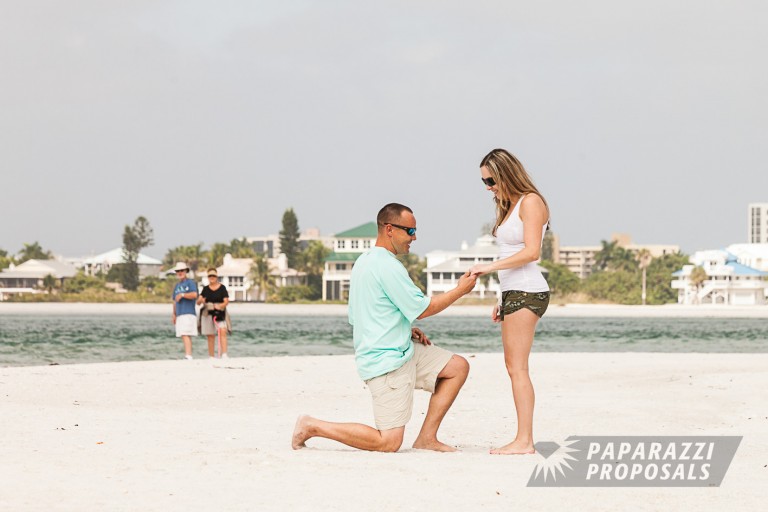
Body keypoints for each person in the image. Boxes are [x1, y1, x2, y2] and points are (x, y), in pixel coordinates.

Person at [292, 203, 478, 453]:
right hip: (387, 362)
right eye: (410, 231)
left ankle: (426, 438)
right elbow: (423, 309)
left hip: (403, 349)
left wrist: (404, 326)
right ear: (389, 229)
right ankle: (312, 426)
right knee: (389, 442)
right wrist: (460, 291)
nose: (414, 237)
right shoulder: (387, 266)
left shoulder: (364, 261)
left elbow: (364, 314)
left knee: (457, 367)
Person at [469, 149, 551, 455]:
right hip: (515, 293)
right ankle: (523, 439)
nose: (488, 187)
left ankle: (524, 441)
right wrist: (501, 298)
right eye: (484, 182)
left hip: (528, 291)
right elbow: (509, 255)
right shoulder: (509, 205)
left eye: (491, 180)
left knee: (518, 368)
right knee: (513, 366)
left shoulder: (531, 201)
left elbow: (531, 252)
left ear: (506, 173)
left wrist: (487, 268)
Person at [197, 267, 230, 359]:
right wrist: (200, 300)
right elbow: (198, 302)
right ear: (208, 277)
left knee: (222, 331)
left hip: (219, 313)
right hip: (208, 313)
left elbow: (226, 301)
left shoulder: (222, 288)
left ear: (217, 276)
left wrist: (220, 306)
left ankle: (224, 354)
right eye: (210, 276)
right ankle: (211, 356)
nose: (212, 277)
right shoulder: (205, 289)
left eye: (214, 276)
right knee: (210, 335)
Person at [171, 262, 199, 360]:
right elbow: (174, 301)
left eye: (182, 271)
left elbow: (195, 295)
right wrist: (174, 314)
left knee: (185, 333)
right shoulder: (177, 286)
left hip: (188, 312)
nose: (180, 273)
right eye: (178, 271)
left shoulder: (190, 283)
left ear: (186, 271)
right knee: (183, 333)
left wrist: (183, 295)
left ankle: (188, 355)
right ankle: (187, 354)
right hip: (179, 313)